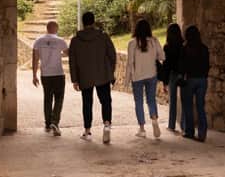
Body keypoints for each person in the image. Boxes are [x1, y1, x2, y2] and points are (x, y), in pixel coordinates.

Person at [68, 11, 117, 143]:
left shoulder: (75, 40)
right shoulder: (103, 37)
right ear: (94, 21)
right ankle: (107, 124)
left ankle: (87, 131)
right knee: (105, 101)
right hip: (102, 74)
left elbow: (72, 61)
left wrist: (75, 79)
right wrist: (110, 71)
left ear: (83, 23)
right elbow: (112, 55)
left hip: (85, 76)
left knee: (87, 103)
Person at [127, 19, 164, 139]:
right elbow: (162, 56)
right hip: (151, 75)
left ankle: (142, 129)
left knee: (139, 102)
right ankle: (154, 121)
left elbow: (129, 63)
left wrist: (127, 80)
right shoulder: (154, 41)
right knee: (151, 100)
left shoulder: (132, 43)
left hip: (137, 77)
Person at [32, 21, 68, 136]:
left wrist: (34, 75)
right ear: (56, 29)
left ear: (47, 28)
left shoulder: (38, 41)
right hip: (58, 74)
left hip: (45, 75)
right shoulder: (60, 41)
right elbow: (69, 53)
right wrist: (59, 53)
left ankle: (48, 124)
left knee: (47, 99)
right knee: (59, 99)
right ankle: (55, 122)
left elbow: (35, 59)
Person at [179, 25, 210, 142]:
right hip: (202, 80)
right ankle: (202, 133)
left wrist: (182, 76)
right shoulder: (204, 48)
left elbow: (182, 66)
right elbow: (207, 65)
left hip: (190, 79)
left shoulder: (185, 48)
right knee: (200, 106)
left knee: (188, 106)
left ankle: (189, 131)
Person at [161, 24, 184, 134]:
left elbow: (166, 65)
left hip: (172, 75)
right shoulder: (183, 45)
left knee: (173, 101)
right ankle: (184, 126)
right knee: (185, 100)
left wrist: (164, 82)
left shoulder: (167, 47)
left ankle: (171, 125)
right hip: (182, 74)